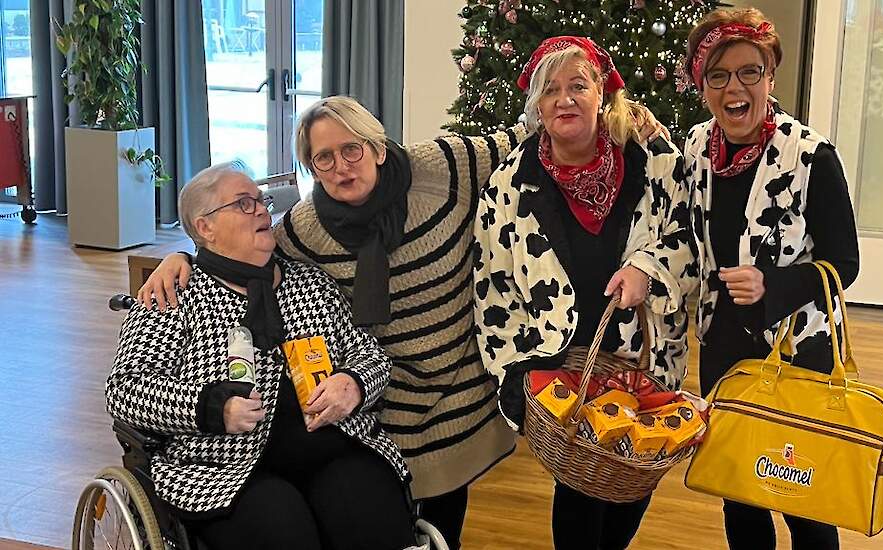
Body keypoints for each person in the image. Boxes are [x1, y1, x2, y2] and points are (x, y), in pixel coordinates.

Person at [139, 95, 665, 547]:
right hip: (310, 437)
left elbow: (524, 135)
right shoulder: (289, 240)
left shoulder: (436, 171)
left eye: (353, 148)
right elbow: (239, 250)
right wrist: (182, 258)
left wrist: (618, 115)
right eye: (324, 159)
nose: (343, 166)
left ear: (377, 143)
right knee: (292, 527)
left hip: (449, 390)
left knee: (392, 520)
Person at [106, 164, 420, 550]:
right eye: (243, 203)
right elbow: (125, 390)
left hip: (332, 448)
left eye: (260, 200)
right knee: (282, 528)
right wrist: (211, 406)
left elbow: (367, 351)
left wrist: (353, 383)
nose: (260, 210)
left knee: (374, 520)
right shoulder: (173, 296)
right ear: (205, 228)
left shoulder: (311, 282)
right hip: (222, 470)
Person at [473, 36, 696, 550]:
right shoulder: (511, 186)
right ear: (537, 104)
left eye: (578, 85)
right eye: (550, 90)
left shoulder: (652, 159)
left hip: (642, 358)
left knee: (633, 481)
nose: (564, 100)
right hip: (563, 366)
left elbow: (687, 240)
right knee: (579, 487)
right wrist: (514, 370)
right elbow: (494, 289)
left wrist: (648, 267)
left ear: (603, 91)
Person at [682, 8, 859, 549]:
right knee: (740, 491)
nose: (734, 88)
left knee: (802, 498)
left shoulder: (811, 156)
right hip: (724, 353)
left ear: (770, 76)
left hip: (798, 353)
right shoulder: (693, 150)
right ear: (702, 84)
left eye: (749, 72)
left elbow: (844, 263)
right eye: (718, 75)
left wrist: (773, 285)